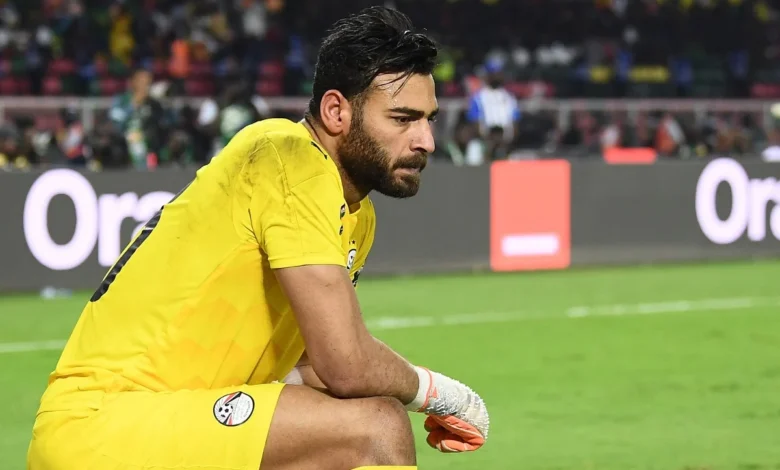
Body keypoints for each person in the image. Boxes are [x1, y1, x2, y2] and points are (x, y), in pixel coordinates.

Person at [27, 7, 489, 470]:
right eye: (403, 119)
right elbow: (345, 364)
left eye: (428, 120)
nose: (426, 140)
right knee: (376, 428)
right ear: (336, 111)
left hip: (172, 422)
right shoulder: (289, 158)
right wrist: (442, 394)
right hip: (103, 425)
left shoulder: (356, 215)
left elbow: (309, 367)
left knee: (353, 421)